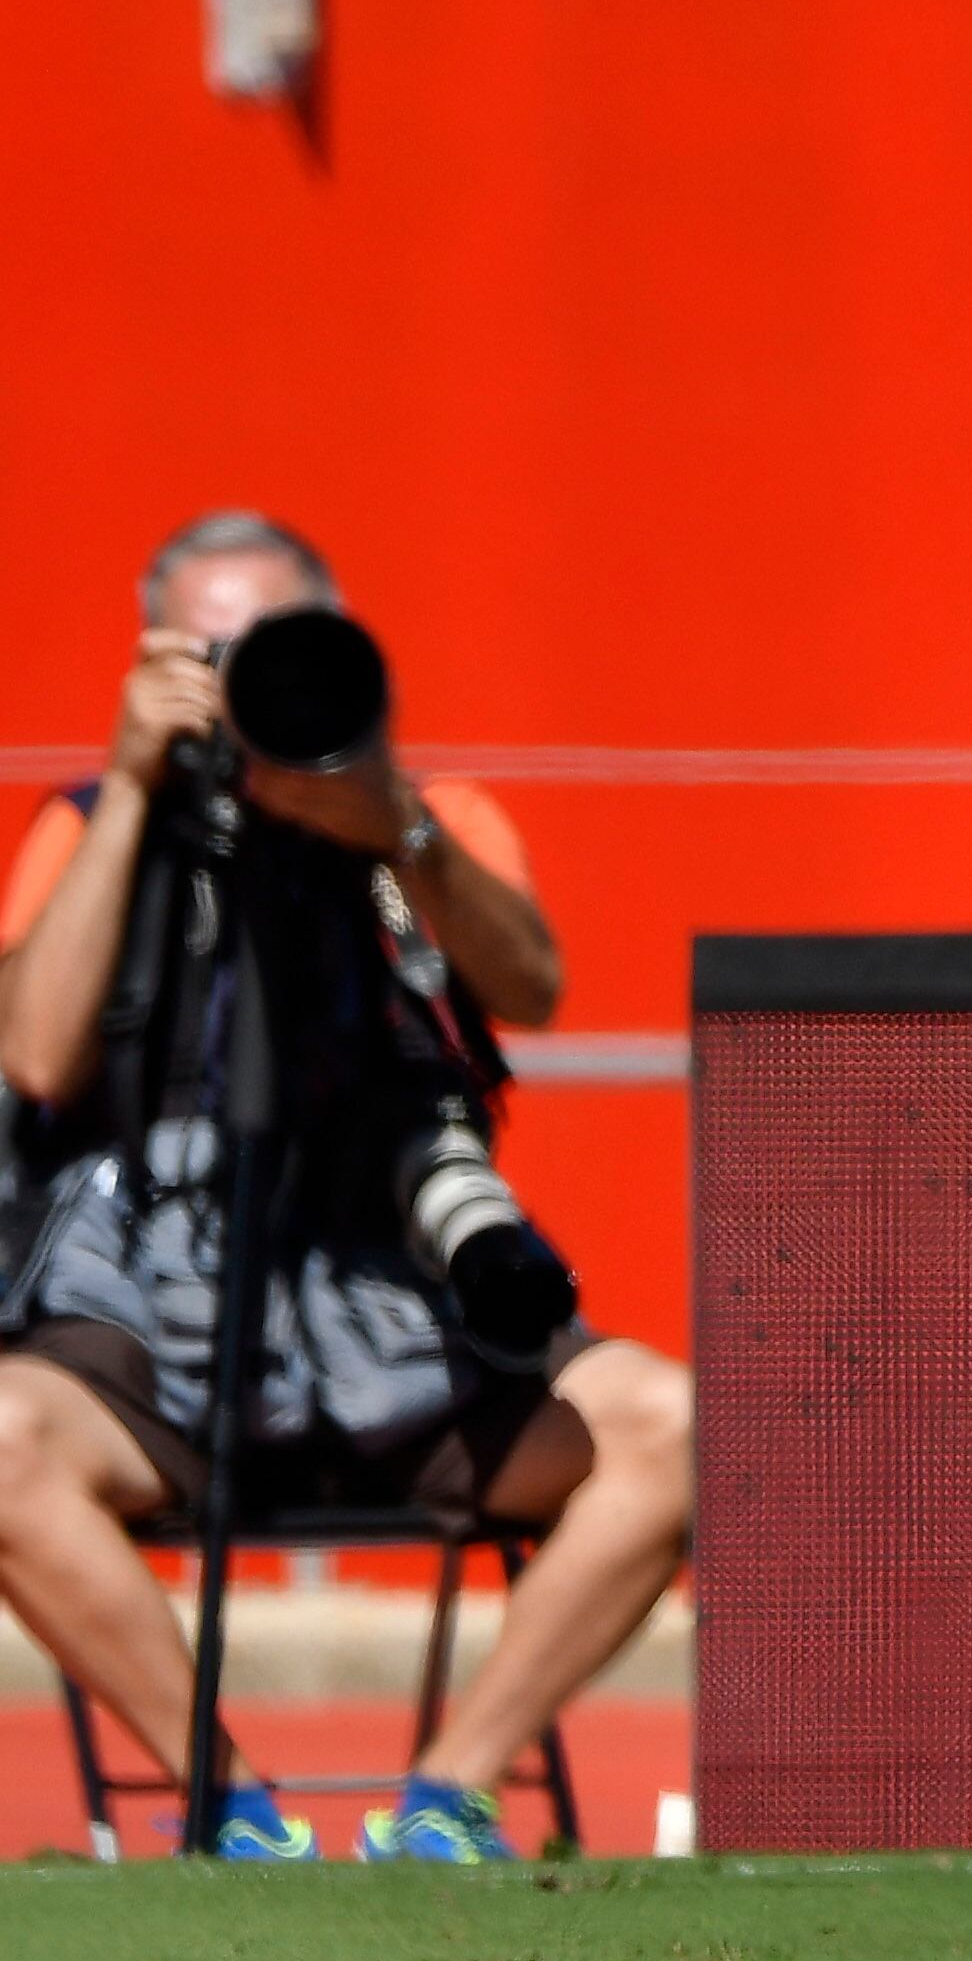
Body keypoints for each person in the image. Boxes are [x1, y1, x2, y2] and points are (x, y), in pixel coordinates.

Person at [0, 513, 694, 1865]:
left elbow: (533, 989)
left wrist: (398, 826)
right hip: (152, 1319)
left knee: (675, 1425)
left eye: (280, 648)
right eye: (212, 654)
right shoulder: (90, 825)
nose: (249, 683)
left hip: (400, 1300)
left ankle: (447, 1793)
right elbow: (34, 1052)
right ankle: (233, 1804)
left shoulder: (428, 816)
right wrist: (136, 785)